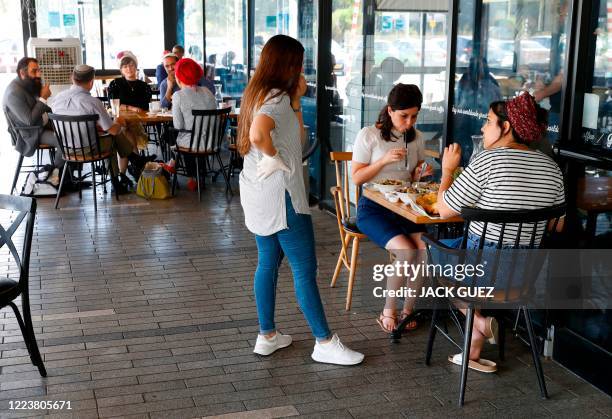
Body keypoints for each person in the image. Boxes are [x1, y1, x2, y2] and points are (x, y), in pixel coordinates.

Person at [237, 34, 364, 365]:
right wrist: (273, 154)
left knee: (268, 262)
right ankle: (324, 341)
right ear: (288, 65)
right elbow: (257, 135)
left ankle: (267, 335)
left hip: (258, 193)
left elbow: (296, 135)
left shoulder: (258, 93)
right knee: (305, 268)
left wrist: (296, 103)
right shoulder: (276, 99)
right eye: (300, 62)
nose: (304, 67)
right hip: (282, 197)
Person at [435, 92, 565, 372]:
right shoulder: (552, 169)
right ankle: (473, 347)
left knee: (433, 256)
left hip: (482, 271)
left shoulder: (487, 161)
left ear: (505, 127)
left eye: (488, 121)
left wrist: (447, 170)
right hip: (525, 274)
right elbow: (558, 225)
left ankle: (479, 323)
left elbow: (444, 210)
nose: (482, 128)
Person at [351, 84, 431, 333]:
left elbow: (415, 177)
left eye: (414, 116)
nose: (409, 122)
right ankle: (389, 311)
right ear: (390, 110)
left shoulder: (416, 138)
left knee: (424, 251)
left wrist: (421, 173)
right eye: (404, 116)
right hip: (373, 208)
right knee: (407, 252)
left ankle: (408, 311)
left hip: (405, 207)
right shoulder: (369, 135)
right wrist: (384, 160)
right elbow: (357, 178)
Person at [51, 65, 148, 193]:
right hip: (87, 149)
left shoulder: (57, 98)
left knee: (109, 134)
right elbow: (113, 130)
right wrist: (117, 121)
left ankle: (134, 161)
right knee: (112, 137)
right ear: (91, 82)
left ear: (72, 78)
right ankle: (120, 178)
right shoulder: (92, 102)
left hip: (65, 149)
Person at [2, 57, 64, 169]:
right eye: (34, 71)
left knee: (74, 134)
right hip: (30, 132)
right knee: (63, 141)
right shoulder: (13, 93)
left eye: (38, 70)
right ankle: (57, 177)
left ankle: (70, 177)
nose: (38, 75)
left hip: (44, 125)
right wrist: (43, 97)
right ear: (22, 73)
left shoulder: (26, 84)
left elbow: (37, 106)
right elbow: (29, 120)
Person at [171, 58, 216, 151]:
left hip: (191, 144)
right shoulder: (208, 91)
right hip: (212, 142)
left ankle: (187, 165)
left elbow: (178, 126)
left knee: (169, 136)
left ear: (178, 77)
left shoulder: (178, 95)